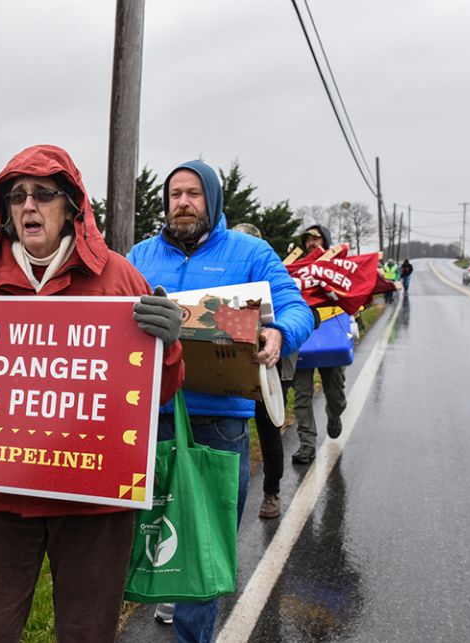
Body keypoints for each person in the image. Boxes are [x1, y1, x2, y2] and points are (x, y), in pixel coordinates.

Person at [0, 144, 185, 643]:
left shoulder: (118, 278)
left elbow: (157, 394)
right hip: (8, 496)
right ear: (6, 211)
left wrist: (170, 346)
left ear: (71, 205)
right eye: (16, 195)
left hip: (95, 500)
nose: (29, 205)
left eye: (43, 194)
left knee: (87, 633)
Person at [127, 161, 313, 640]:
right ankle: (164, 587)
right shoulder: (140, 257)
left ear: (213, 199)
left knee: (205, 544)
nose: (182, 203)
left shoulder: (250, 252)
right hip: (148, 419)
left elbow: (297, 307)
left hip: (218, 422)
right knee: (139, 534)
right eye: (174, 195)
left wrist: (278, 332)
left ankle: (193, 631)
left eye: (193, 194)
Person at [231, 222, 302, 520]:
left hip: (268, 371)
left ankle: (271, 492)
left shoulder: (275, 276)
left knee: (269, 431)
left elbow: (302, 313)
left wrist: (278, 333)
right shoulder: (228, 275)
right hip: (234, 370)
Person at [291, 225, 348, 465]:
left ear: (326, 240)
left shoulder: (337, 268)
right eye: (308, 240)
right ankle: (307, 445)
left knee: (335, 392)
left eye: (316, 238)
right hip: (304, 338)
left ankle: (334, 416)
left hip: (330, 338)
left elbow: (351, 292)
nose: (312, 243)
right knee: (302, 395)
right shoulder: (297, 270)